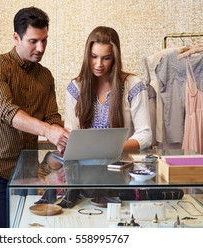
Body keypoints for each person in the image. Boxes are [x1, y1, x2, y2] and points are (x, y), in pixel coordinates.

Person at [36, 26, 152, 208]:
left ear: (115, 57)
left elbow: (145, 134)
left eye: (106, 58)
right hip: (83, 176)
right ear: (87, 55)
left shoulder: (132, 85)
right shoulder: (76, 88)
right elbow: (72, 133)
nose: (99, 64)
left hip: (121, 173)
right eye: (94, 57)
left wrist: (110, 148)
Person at [0, 6, 69, 228]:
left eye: (44, 40)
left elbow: (52, 116)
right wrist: (48, 131)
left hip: (28, 170)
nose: (41, 47)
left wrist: (61, 140)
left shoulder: (45, 76)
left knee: (27, 229)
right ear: (16, 37)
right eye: (33, 41)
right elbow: (7, 111)